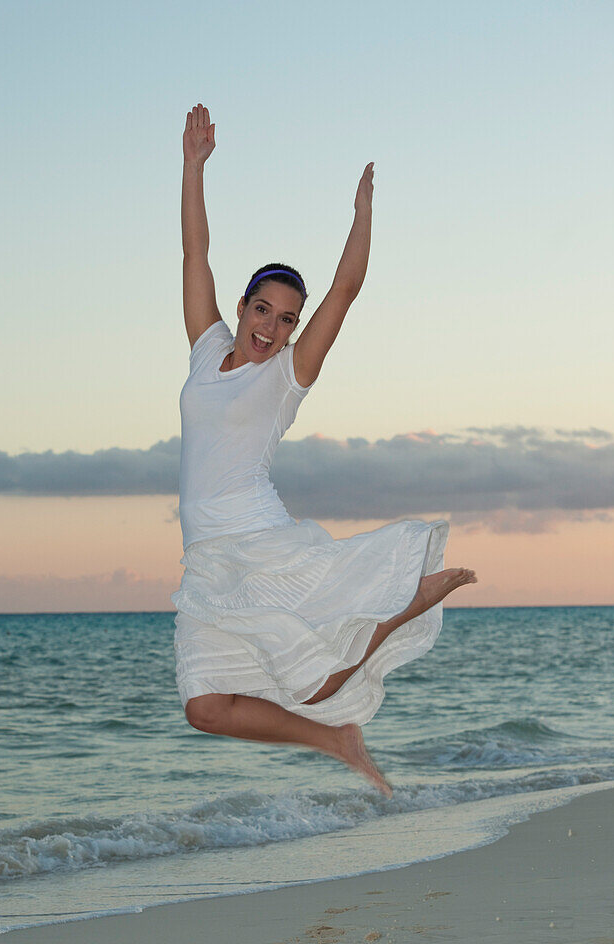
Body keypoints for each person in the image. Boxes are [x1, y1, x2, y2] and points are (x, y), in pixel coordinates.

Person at [171, 103, 477, 796]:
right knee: (205, 708)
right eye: (262, 311)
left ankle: (404, 600)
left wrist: (361, 215)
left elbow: (345, 289)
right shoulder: (206, 350)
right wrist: (192, 168)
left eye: (286, 321)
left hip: (256, 539)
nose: (270, 328)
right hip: (204, 563)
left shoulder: (285, 376)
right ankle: (336, 738)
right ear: (243, 307)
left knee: (316, 675)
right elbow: (195, 254)